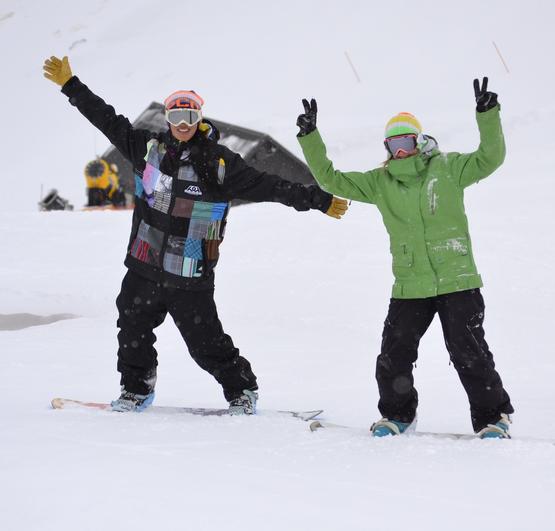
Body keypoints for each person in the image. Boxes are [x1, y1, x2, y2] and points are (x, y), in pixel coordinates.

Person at [43, 55, 348, 414]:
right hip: (145, 263)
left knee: (205, 342)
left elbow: (268, 185)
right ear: (168, 120)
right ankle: (136, 389)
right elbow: (106, 118)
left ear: (199, 119)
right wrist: (70, 85)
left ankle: (242, 389)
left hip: (189, 268)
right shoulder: (147, 149)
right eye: (176, 116)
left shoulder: (218, 162)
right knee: (131, 325)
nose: (183, 124)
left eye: (190, 117)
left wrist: (316, 198)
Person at [296, 77, 514, 438]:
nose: (400, 150)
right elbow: (331, 179)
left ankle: (494, 418)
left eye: (406, 141)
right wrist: (310, 137)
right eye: (393, 144)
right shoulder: (380, 182)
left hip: (457, 277)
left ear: (419, 140)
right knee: (393, 354)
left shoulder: (448, 168)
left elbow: (491, 157)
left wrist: (487, 114)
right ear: (387, 147)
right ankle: (398, 416)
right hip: (410, 283)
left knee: (468, 351)